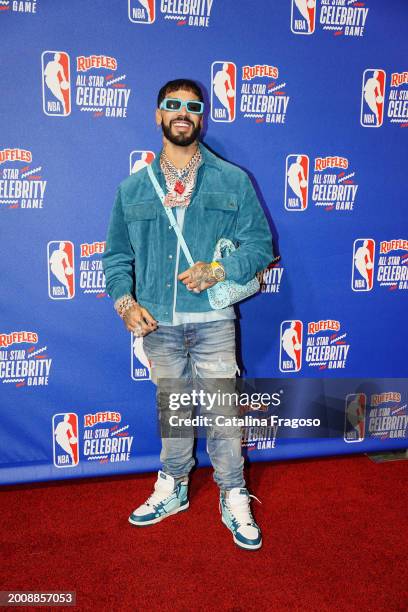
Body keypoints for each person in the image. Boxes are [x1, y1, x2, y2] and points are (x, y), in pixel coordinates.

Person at [102, 78, 273, 551]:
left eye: (192, 106)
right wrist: (125, 303)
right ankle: (174, 486)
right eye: (172, 105)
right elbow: (116, 258)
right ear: (158, 115)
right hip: (158, 324)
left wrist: (218, 269)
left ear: (201, 117)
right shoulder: (133, 188)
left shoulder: (232, 179)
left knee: (222, 411)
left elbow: (260, 246)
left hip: (213, 322)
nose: (182, 112)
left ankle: (233, 491)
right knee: (172, 412)